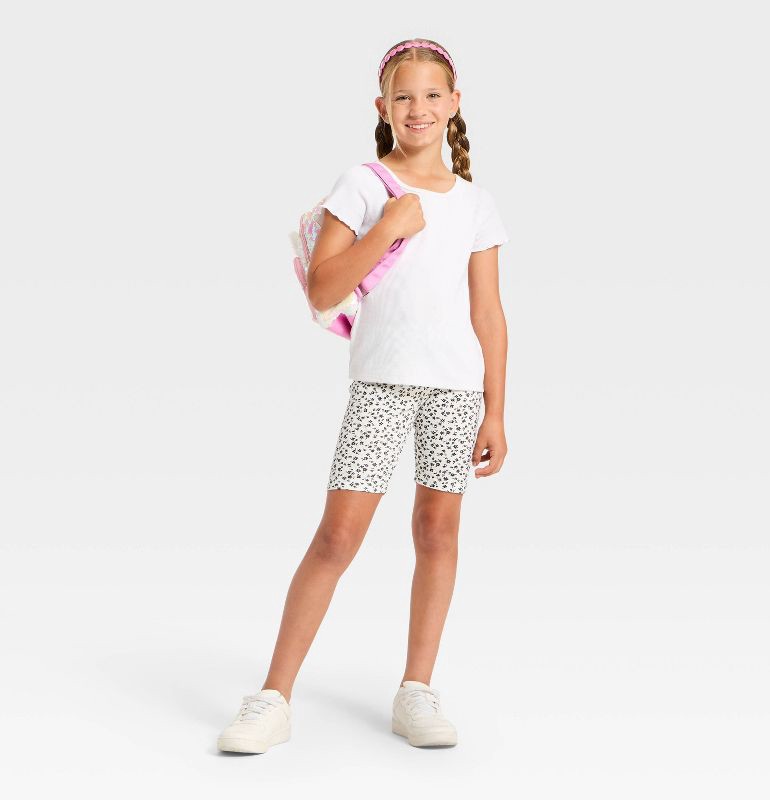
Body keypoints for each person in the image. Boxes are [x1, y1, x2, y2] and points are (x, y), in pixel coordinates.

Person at [218, 37, 510, 754]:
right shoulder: (363, 184)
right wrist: (387, 227)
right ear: (382, 108)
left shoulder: (475, 204)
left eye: (432, 95)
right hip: (381, 384)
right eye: (403, 97)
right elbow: (323, 289)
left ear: (455, 103)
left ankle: (417, 689)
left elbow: (489, 312)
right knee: (337, 537)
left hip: (455, 391)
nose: (418, 108)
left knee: (438, 534)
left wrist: (496, 409)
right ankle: (273, 697)